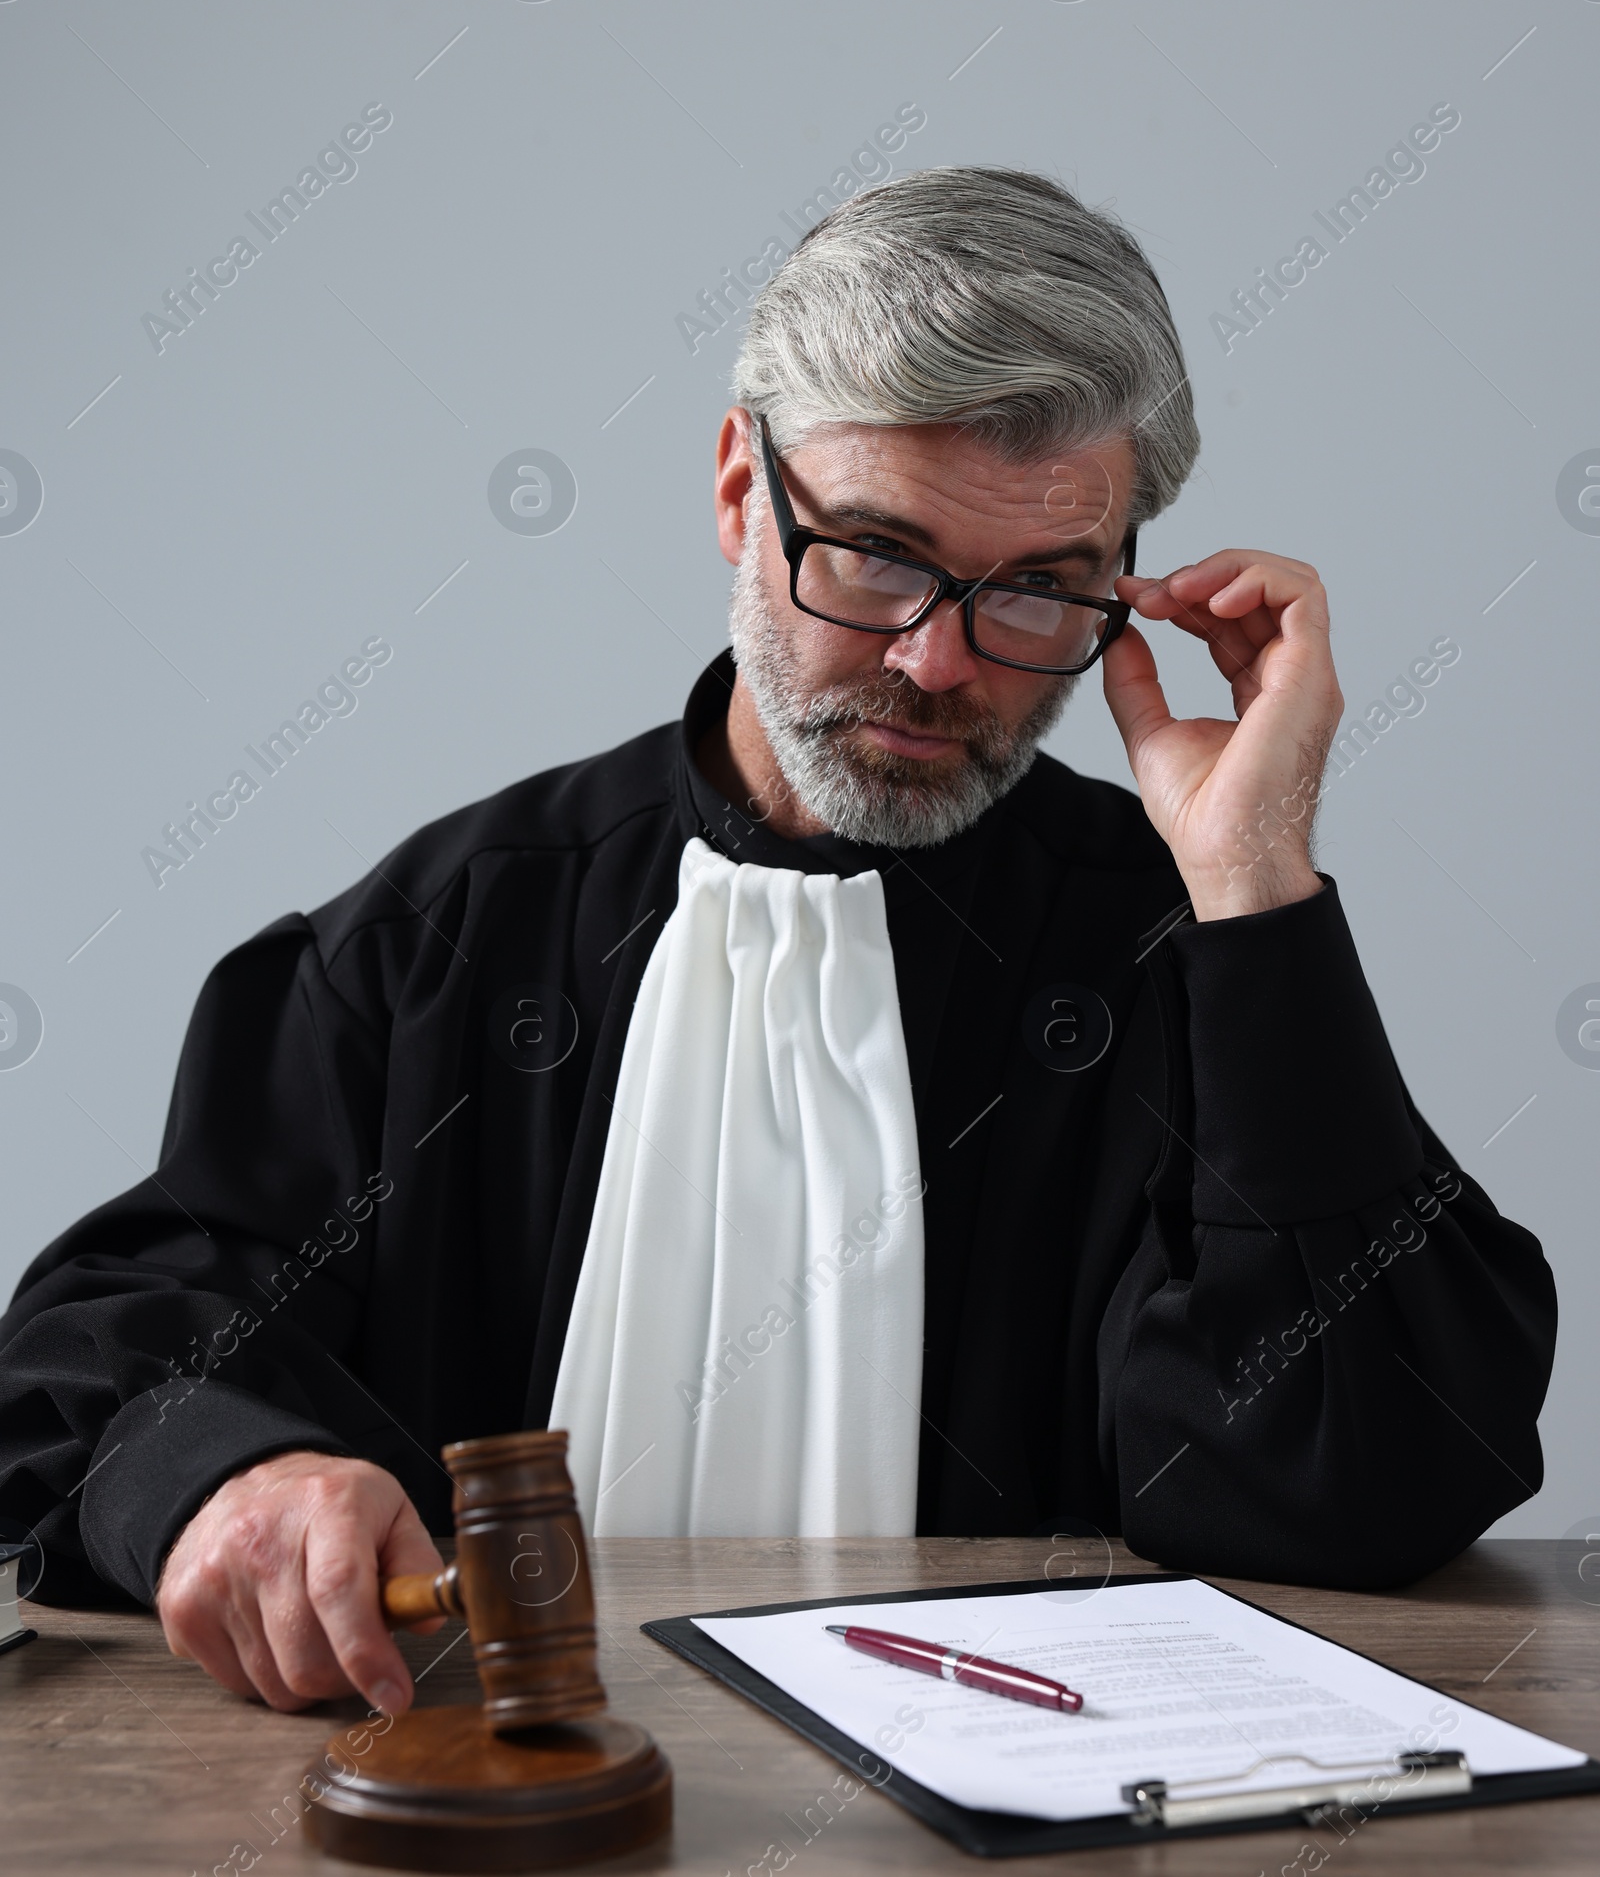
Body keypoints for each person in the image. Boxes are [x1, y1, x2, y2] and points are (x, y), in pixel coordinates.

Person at [0, 168, 1554, 1723]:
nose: (937, 663)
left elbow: (1382, 1480)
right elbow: (90, 1362)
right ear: (745, 491)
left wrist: (1258, 882)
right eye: (876, 554)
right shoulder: (435, 945)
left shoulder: (1181, 953)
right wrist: (228, 1473)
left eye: (1037, 591)